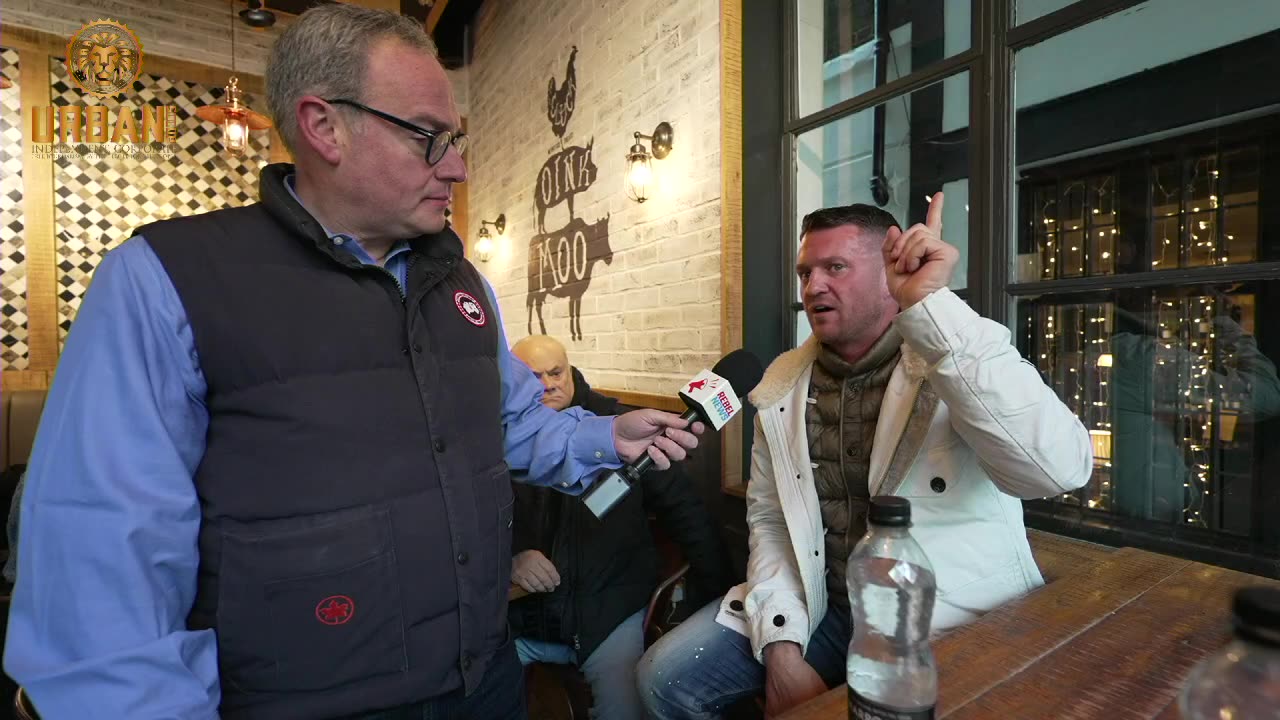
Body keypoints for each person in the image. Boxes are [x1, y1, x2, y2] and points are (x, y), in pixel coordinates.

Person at [3, 6, 702, 720]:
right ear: (324, 126)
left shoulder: (466, 286)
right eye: (430, 138)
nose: (457, 166)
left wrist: (602, 438)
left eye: (455, 139)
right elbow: (102, 572)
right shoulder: (164, 281)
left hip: (483, 683)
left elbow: (512, 422)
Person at [638, 194, 1093, 719]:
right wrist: (782, 647)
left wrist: (933, 308)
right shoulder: (781, 387)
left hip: (942, 617)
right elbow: (770, 520)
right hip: (823, 605)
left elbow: (1058, 470)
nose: (813, 288)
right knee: (663, 679)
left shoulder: (951, 356)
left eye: (835, 268)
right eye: (805, 272)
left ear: (888, 273)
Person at [508, 335, 732, 720]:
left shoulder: (621, 430)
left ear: (570, 368)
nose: (548, 384)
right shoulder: (496, 441)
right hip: (519, 620)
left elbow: (687, 513)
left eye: (556, 372)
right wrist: (509, 559)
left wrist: (716, 599)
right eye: (533, 377)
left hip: (607, 615)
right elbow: (464, 526)